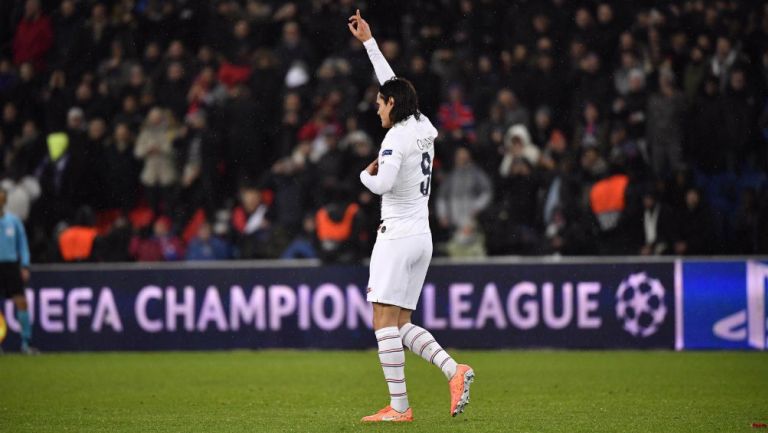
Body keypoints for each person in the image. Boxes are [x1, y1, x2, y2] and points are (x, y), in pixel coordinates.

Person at [348, 10, 474, 423]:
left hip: (397, 235)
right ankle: (454, 371)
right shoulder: (423, 125)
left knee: (383, 323)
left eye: (380, 103)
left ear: (392, 106)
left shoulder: (393, 140)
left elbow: (381, 185)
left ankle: (400, 408)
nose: (376, 107)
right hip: (422, 237)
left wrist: (362, 176)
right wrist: (369, 42)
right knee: (401, 324)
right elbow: (393, 83)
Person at [0, 188, 37, 354]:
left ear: (5, 200)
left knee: (21, 302)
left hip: (11, 266)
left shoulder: (13, 221)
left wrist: (25, 265)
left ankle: (25, 343)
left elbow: (22, 245)